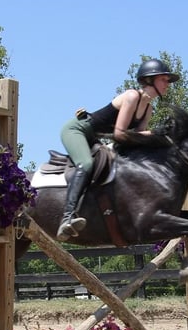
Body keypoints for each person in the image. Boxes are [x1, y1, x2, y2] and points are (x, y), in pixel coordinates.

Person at [56, 58, 180, 241]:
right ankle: (67, 218)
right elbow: (120, 134)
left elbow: (137, 137)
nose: (167, 84)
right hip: (77, 130)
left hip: (96, 138)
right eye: (164, 79)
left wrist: (161, 137)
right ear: (149, 80)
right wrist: (154, 133)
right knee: (86, 163)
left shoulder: (148, 109)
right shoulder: (131, 96)